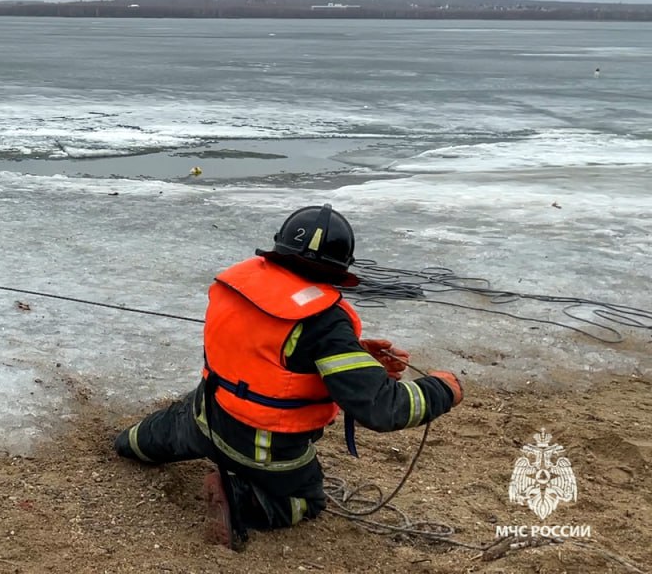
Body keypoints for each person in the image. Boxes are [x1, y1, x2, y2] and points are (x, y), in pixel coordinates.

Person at [113, 204, 464, 550]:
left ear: (279, 249)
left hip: (204, 413)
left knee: (145, 439)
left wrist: (355, 355)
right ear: (338, 269)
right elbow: (381, 408)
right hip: (262, 445)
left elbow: (268, 347)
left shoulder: (241, 281)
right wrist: (441, 389)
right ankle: (237, 497)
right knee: (307, 501)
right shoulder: (326, 324)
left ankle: (131, 443)